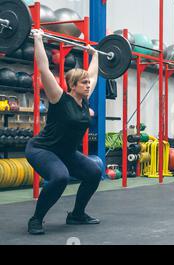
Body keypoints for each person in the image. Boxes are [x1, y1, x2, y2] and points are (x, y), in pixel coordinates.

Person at [25, 29, 102, 235]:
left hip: (66, 152)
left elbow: (93, 73)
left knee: (94, 172)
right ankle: (36, 219)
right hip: (43, 149)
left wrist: (95, 54)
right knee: (60, 177)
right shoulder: (59, 98)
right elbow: (43, 68)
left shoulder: (84, 101)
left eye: (88, 83)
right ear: (72, 85)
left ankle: (77, 214)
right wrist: (39, 39)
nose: (88, 85)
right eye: (84, 83)